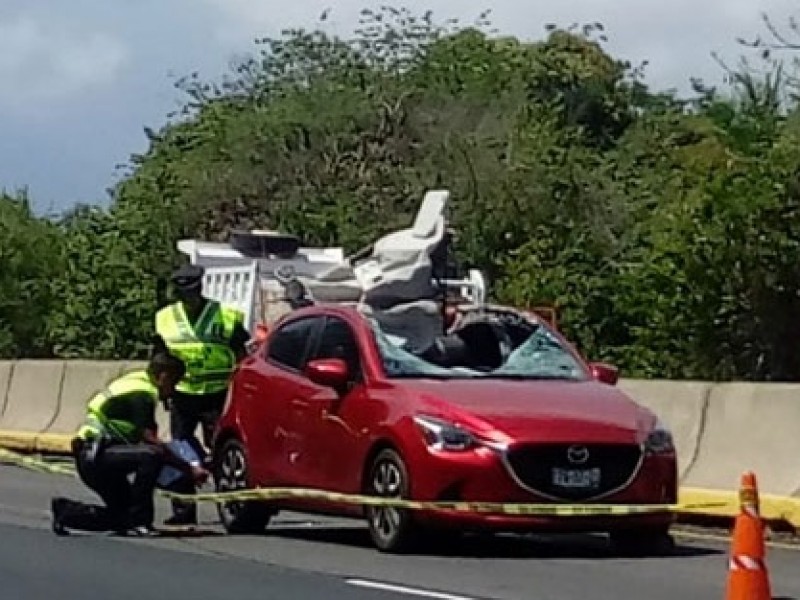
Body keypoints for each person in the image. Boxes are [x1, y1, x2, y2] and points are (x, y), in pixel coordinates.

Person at [50, 353, 209, 537]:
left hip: (99, 456)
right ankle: (142, 522)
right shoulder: (142, 393)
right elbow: (150, 441)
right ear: (163, 376)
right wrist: (188, 468)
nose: (172, 391)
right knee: (151, 455)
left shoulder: (136, 380)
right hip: (97, 456)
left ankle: (67, 513)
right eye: (173, 383)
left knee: (123, 518)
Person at [152, 263, 250, 525]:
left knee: (221, 450)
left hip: (218, 393)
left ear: (201, 289)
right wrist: (163, 391)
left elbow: (242, 355)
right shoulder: (165, 318)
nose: (190, 299)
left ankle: (230, 506)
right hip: (183, 394)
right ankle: (183, 511)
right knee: (179, 450)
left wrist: (239, 387)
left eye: (193, 293)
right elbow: (159, 358)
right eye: (184, 294)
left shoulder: (225, 316)